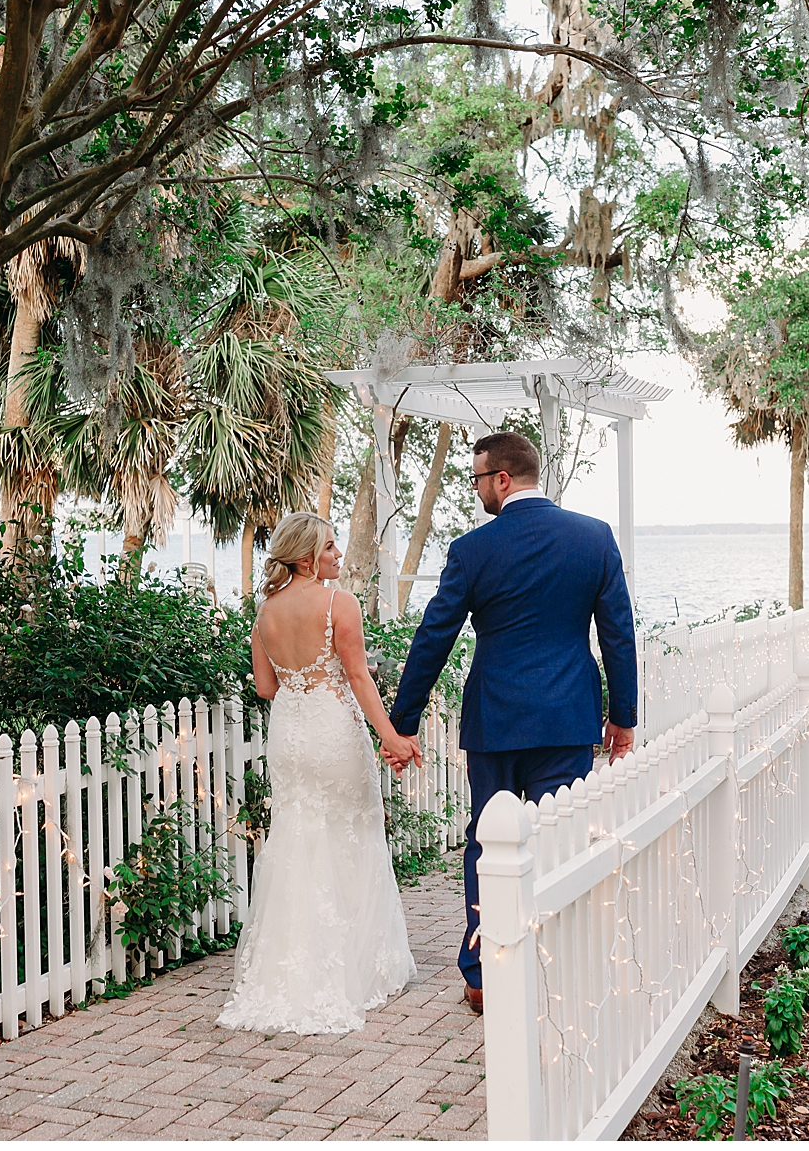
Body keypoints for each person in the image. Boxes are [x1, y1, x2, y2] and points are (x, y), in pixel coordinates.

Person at [388, 431, 637, 1016]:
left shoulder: (473, 550)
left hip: (495, 721)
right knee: (558, 840)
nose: (474, 490)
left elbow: (434, 636)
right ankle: (555, 959)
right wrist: (621, 718)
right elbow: (618, 634)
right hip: (567, 720)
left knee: (487, 844)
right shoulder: (593, 538)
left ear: (502, 478)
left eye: (476, 478)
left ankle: (483, 975)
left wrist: (404, 719)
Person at [216, 512, 421, 1034]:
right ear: (306, 557)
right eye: (329, 548)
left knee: (297, 838)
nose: (336, 555)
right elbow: (355, 675)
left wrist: (308, 674)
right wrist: (391, 737)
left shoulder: (265, 612)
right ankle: (353, 969)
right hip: (332, 729)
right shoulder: (339, 603)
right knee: (350, 833)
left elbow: (266, 687)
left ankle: (289, 970)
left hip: (290, 733)